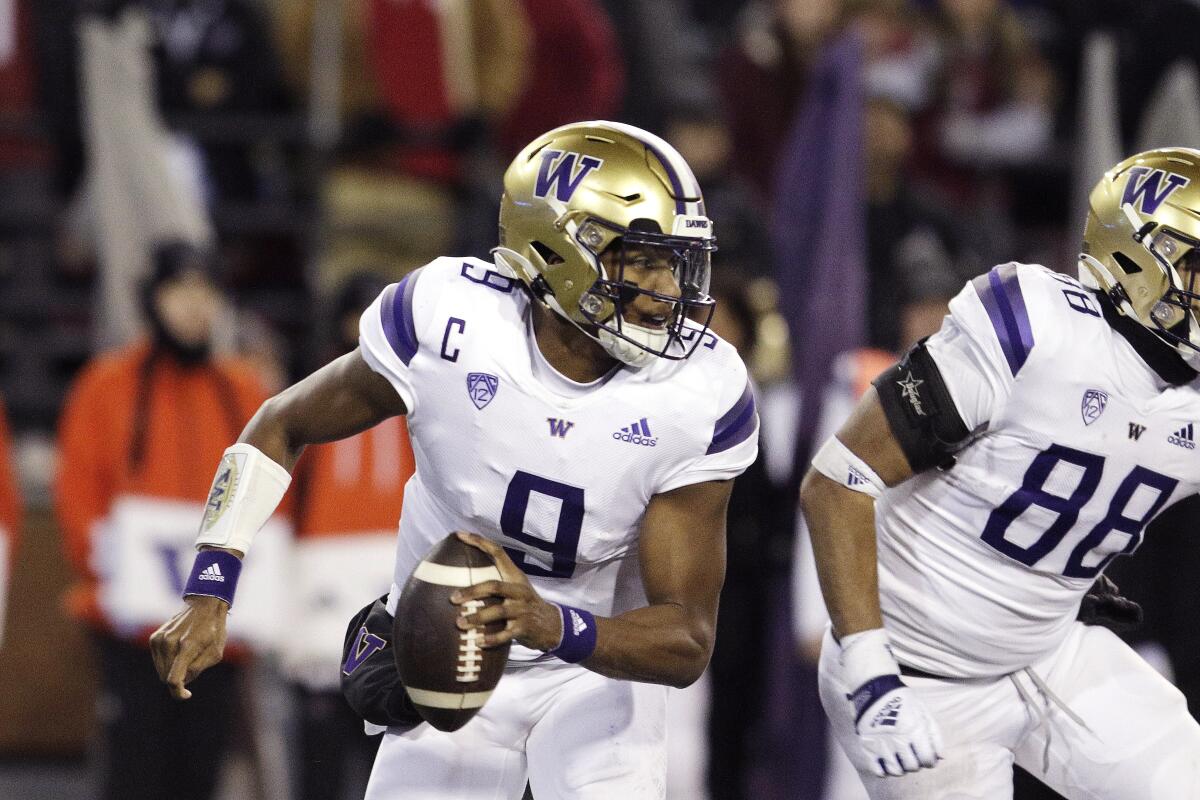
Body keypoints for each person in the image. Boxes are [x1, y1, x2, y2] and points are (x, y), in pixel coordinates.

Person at [150, 120, 759, 800]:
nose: (664, 290)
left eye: (673, 263)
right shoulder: (451, 321)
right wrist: (211, 584)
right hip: (444, 650)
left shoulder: (698, 392)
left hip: (596, 666)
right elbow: (279, 424)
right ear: (557, 249)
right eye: (639, 260)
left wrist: (548, 622)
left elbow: (686, 640)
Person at [799, 146, 1200, 799]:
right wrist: (869, 671)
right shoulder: (1036, 327)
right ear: (1135, 260)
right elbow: (837, 482)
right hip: (916, 667)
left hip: (1047, 650)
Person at [55, 242, 287, 800]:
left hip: (214, 632)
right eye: (181, 289)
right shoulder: (106, 386)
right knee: (132, 771)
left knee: (199, 773)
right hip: (129, 631)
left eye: (207, 291)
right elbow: (77, 491)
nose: (195, 305)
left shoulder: (245, 392)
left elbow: (273, 496)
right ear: (152, 298)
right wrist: (108, 562)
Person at [282, 274, 416, 800]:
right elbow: (287, 499)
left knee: (390, 744)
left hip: (395, 585)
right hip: (320, 592)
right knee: (319, 750)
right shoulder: (312, 400)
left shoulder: (421, 400)